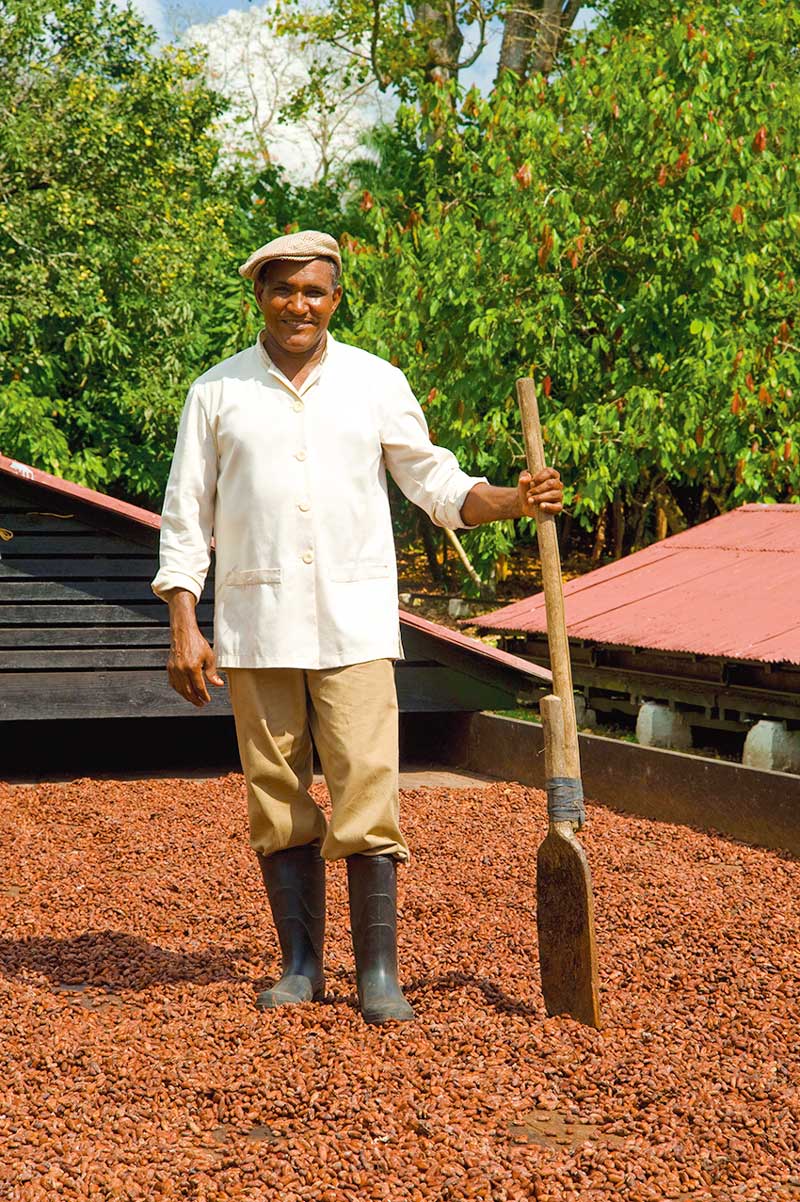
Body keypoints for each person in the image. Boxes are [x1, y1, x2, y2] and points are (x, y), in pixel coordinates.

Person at [151, 230, 563, 1026]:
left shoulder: (375, 382)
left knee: (367, 790)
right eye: (282, 289)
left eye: (314, 291)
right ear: (258, 295)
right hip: (257, 621)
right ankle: (301, 966)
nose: (297, 304)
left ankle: (378, 974)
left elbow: (434, 482)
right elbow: (184, 514)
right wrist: (182, 618)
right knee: (276, 797)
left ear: (336, 299)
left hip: (353, 622)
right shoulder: (218, 393)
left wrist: (511, 499)